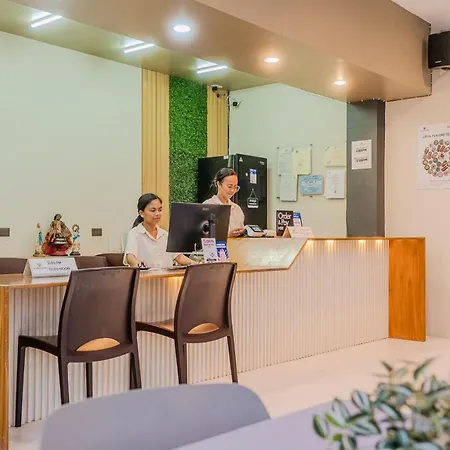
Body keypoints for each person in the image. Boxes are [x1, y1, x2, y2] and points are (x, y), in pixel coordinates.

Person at [125, 193, 195, 268]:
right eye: (153, 210)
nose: (157, 214)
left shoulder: (165, 234)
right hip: (145, 275)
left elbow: (179, 257)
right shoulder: (134, 233)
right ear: (141, 213)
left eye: (160, 210)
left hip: (166, 275)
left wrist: (197, 263)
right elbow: (130, 257)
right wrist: (138, 263)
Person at [203, 168, 245, 237]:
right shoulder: (207, 206)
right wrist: (227, 235)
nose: (232, 190)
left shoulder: (237, 209)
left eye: (235, 187)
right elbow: (204, 236)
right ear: (218, 184)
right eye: (229, 186)